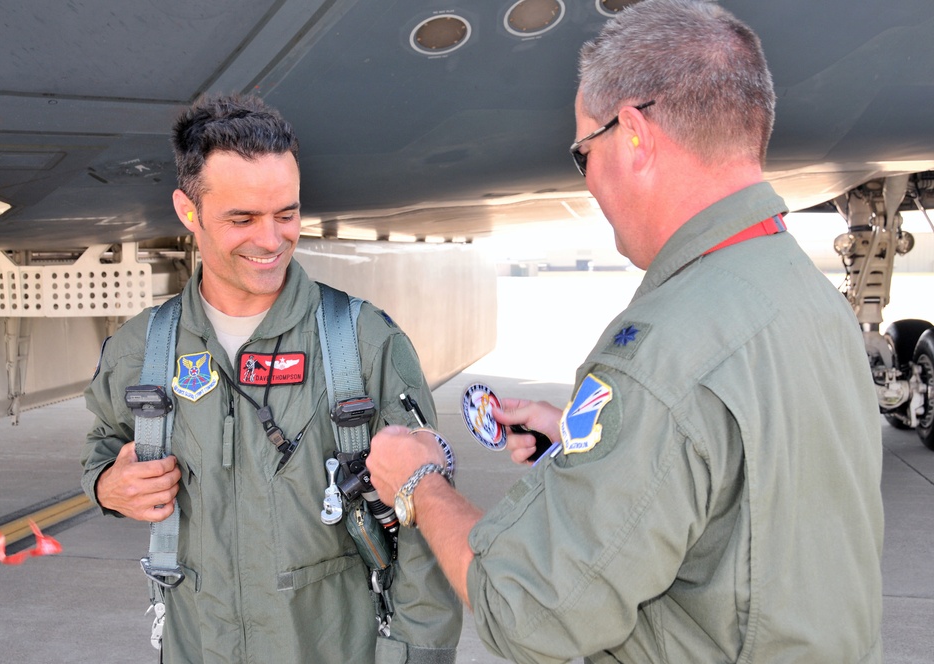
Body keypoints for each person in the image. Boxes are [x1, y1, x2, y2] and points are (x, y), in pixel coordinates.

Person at [365, 1, 884, 662]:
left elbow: (529, 611)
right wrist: (595, 444)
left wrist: (419, 484)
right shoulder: (806, 297)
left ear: (633, 135)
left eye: (584, 155)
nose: (589, 185)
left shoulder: (662, 355)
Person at [81, 94, 461, 663]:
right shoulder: (141, 349)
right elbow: (103, 448)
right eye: (242, 218)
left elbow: (426, 521)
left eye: (286, 213)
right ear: (189, 212)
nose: (272, 239)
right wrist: (106, 488)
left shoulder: (363, 343)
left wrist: (416, 655)